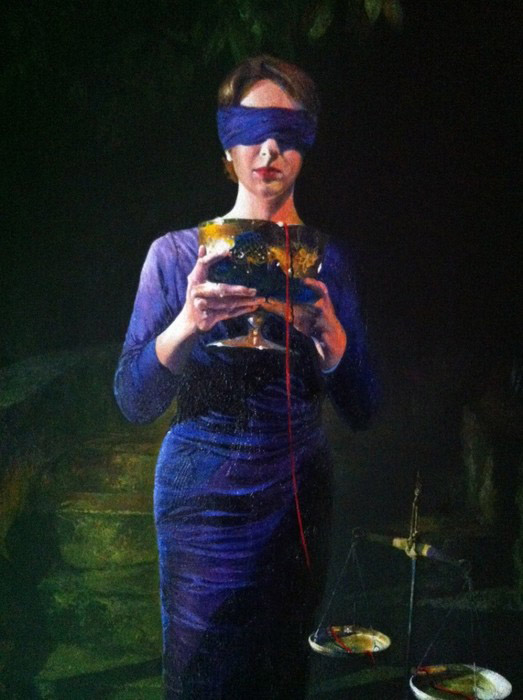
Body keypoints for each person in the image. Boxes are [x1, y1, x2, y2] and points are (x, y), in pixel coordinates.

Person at [114, 55, 378, 699]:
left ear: (307, 145)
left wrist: (332, 339)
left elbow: (365, 409)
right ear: (226, 146)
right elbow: (132, 400)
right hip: (200, 496)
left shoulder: (329, 262)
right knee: (200, 672)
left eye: (287, 133)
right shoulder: (176, 255)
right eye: (252, 130)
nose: (269, 150)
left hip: (297, 495)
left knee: (283, 670)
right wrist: (186, 324)